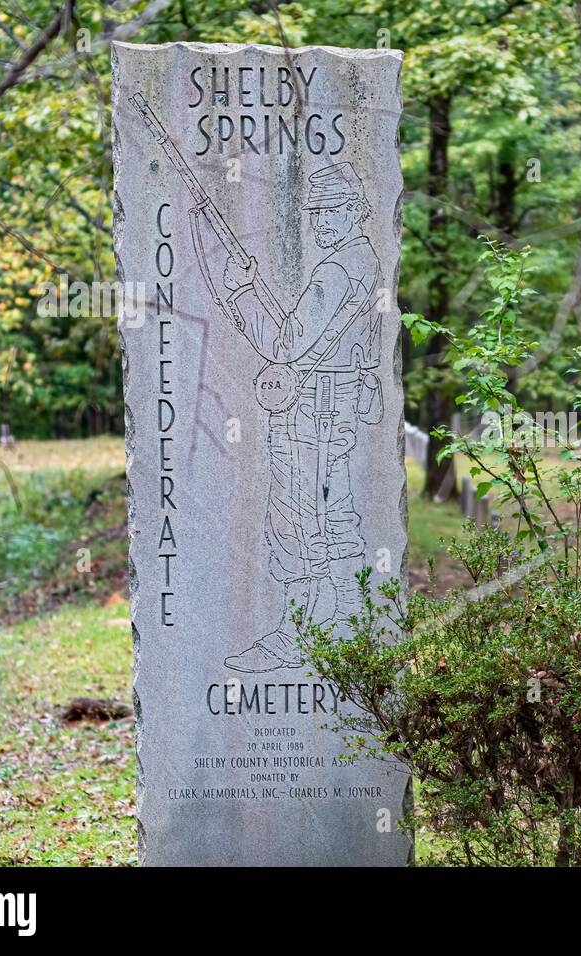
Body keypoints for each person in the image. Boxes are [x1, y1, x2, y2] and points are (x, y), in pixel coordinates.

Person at [203, 161, 384, 673]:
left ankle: (296, 635)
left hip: (315, 410)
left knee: (299, 519)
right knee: (335, 517)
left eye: (332, 212)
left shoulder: (337, 268)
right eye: (316, 213)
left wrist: (240, 293)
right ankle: (353, 623)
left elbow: (285, 344)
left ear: (355, 211)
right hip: (333, 402)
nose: (321, 223)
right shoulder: (361, 259)